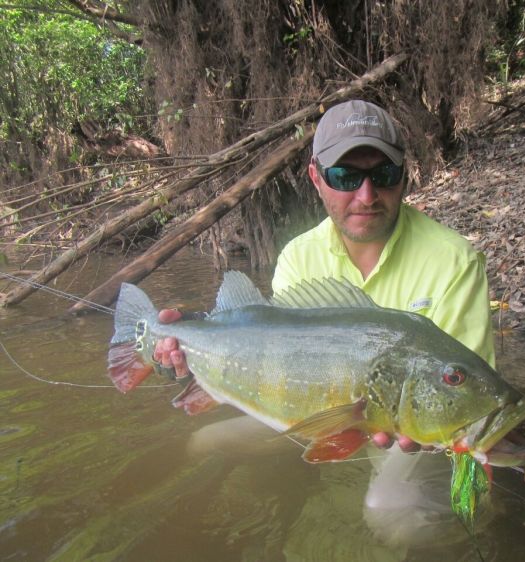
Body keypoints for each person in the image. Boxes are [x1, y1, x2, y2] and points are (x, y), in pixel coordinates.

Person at [154, 98, 495, 449]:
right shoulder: (298, 257)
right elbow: (266, 344)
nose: (366, 196)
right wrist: (194, 341)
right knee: (204, 444)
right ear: (316, 178)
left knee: (384, 504)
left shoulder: (455, 262)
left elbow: (468, 395)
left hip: (414, 438)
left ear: (402, 175)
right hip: (318, 414)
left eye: (383, 174)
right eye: (345, 176)